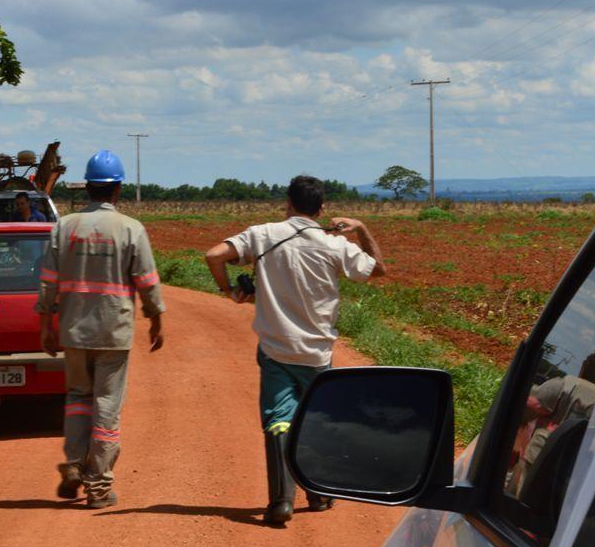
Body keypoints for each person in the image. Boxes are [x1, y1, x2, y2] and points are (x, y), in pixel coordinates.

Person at [204, 175, 386, 525]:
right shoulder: (334, 244)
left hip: (276, 349)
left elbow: (214, 255)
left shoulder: (263, 234)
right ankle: (318, 494)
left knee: (278, 421)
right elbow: (378, 269)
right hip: (318, 353)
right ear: (321, 210)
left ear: (287, 202)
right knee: (315, 420)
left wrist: (230, 290)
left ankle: (281, 500)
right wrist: (361, 229)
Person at [35, 149, 165, 509]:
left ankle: (76, 464)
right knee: (107, 406)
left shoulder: (65, 226)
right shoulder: (130, 229)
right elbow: (147, 281)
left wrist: (46, 323)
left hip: (74, 330)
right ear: (117, 189)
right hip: (113, 332)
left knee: (78, 399)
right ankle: (99, 487)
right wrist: (156, 318)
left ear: (88, 187)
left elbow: (47, 280)